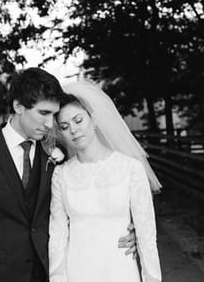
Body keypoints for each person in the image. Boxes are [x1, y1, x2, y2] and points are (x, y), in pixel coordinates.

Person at [0, 68, 136, 282]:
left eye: (54, 115)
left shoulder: (59, 150)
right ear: (18, 106)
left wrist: (126, 229)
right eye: (43, 113)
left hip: (48, 272)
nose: (50, 124)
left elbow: (85, 199)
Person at [48, 80, 162, 282]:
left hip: (120, 270)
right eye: (65, 126)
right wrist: (58, 278)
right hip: (77, 270)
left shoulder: (131, 169)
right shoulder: (61, 175)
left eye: (78, 120)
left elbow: (147, 237)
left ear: (93, 119)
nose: (73, 130)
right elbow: (57, 235)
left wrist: (152, 279)